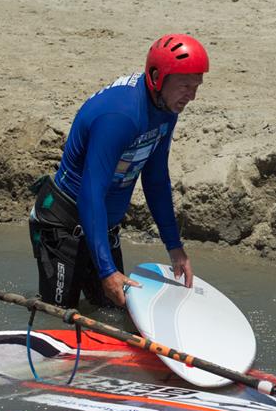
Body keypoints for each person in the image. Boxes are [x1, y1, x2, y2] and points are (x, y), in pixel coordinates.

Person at [28, 34, 208, 308]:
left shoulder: (166, 108)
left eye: (197, 86)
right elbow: (91, 194)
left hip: (103, 226)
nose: (192, 96)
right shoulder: (120, 117)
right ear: (158, 77)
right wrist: (107, 271)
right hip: (63, 224)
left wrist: (174, 247)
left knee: (117, 311)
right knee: (59, 318)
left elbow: (156, 178)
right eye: (185, 85)